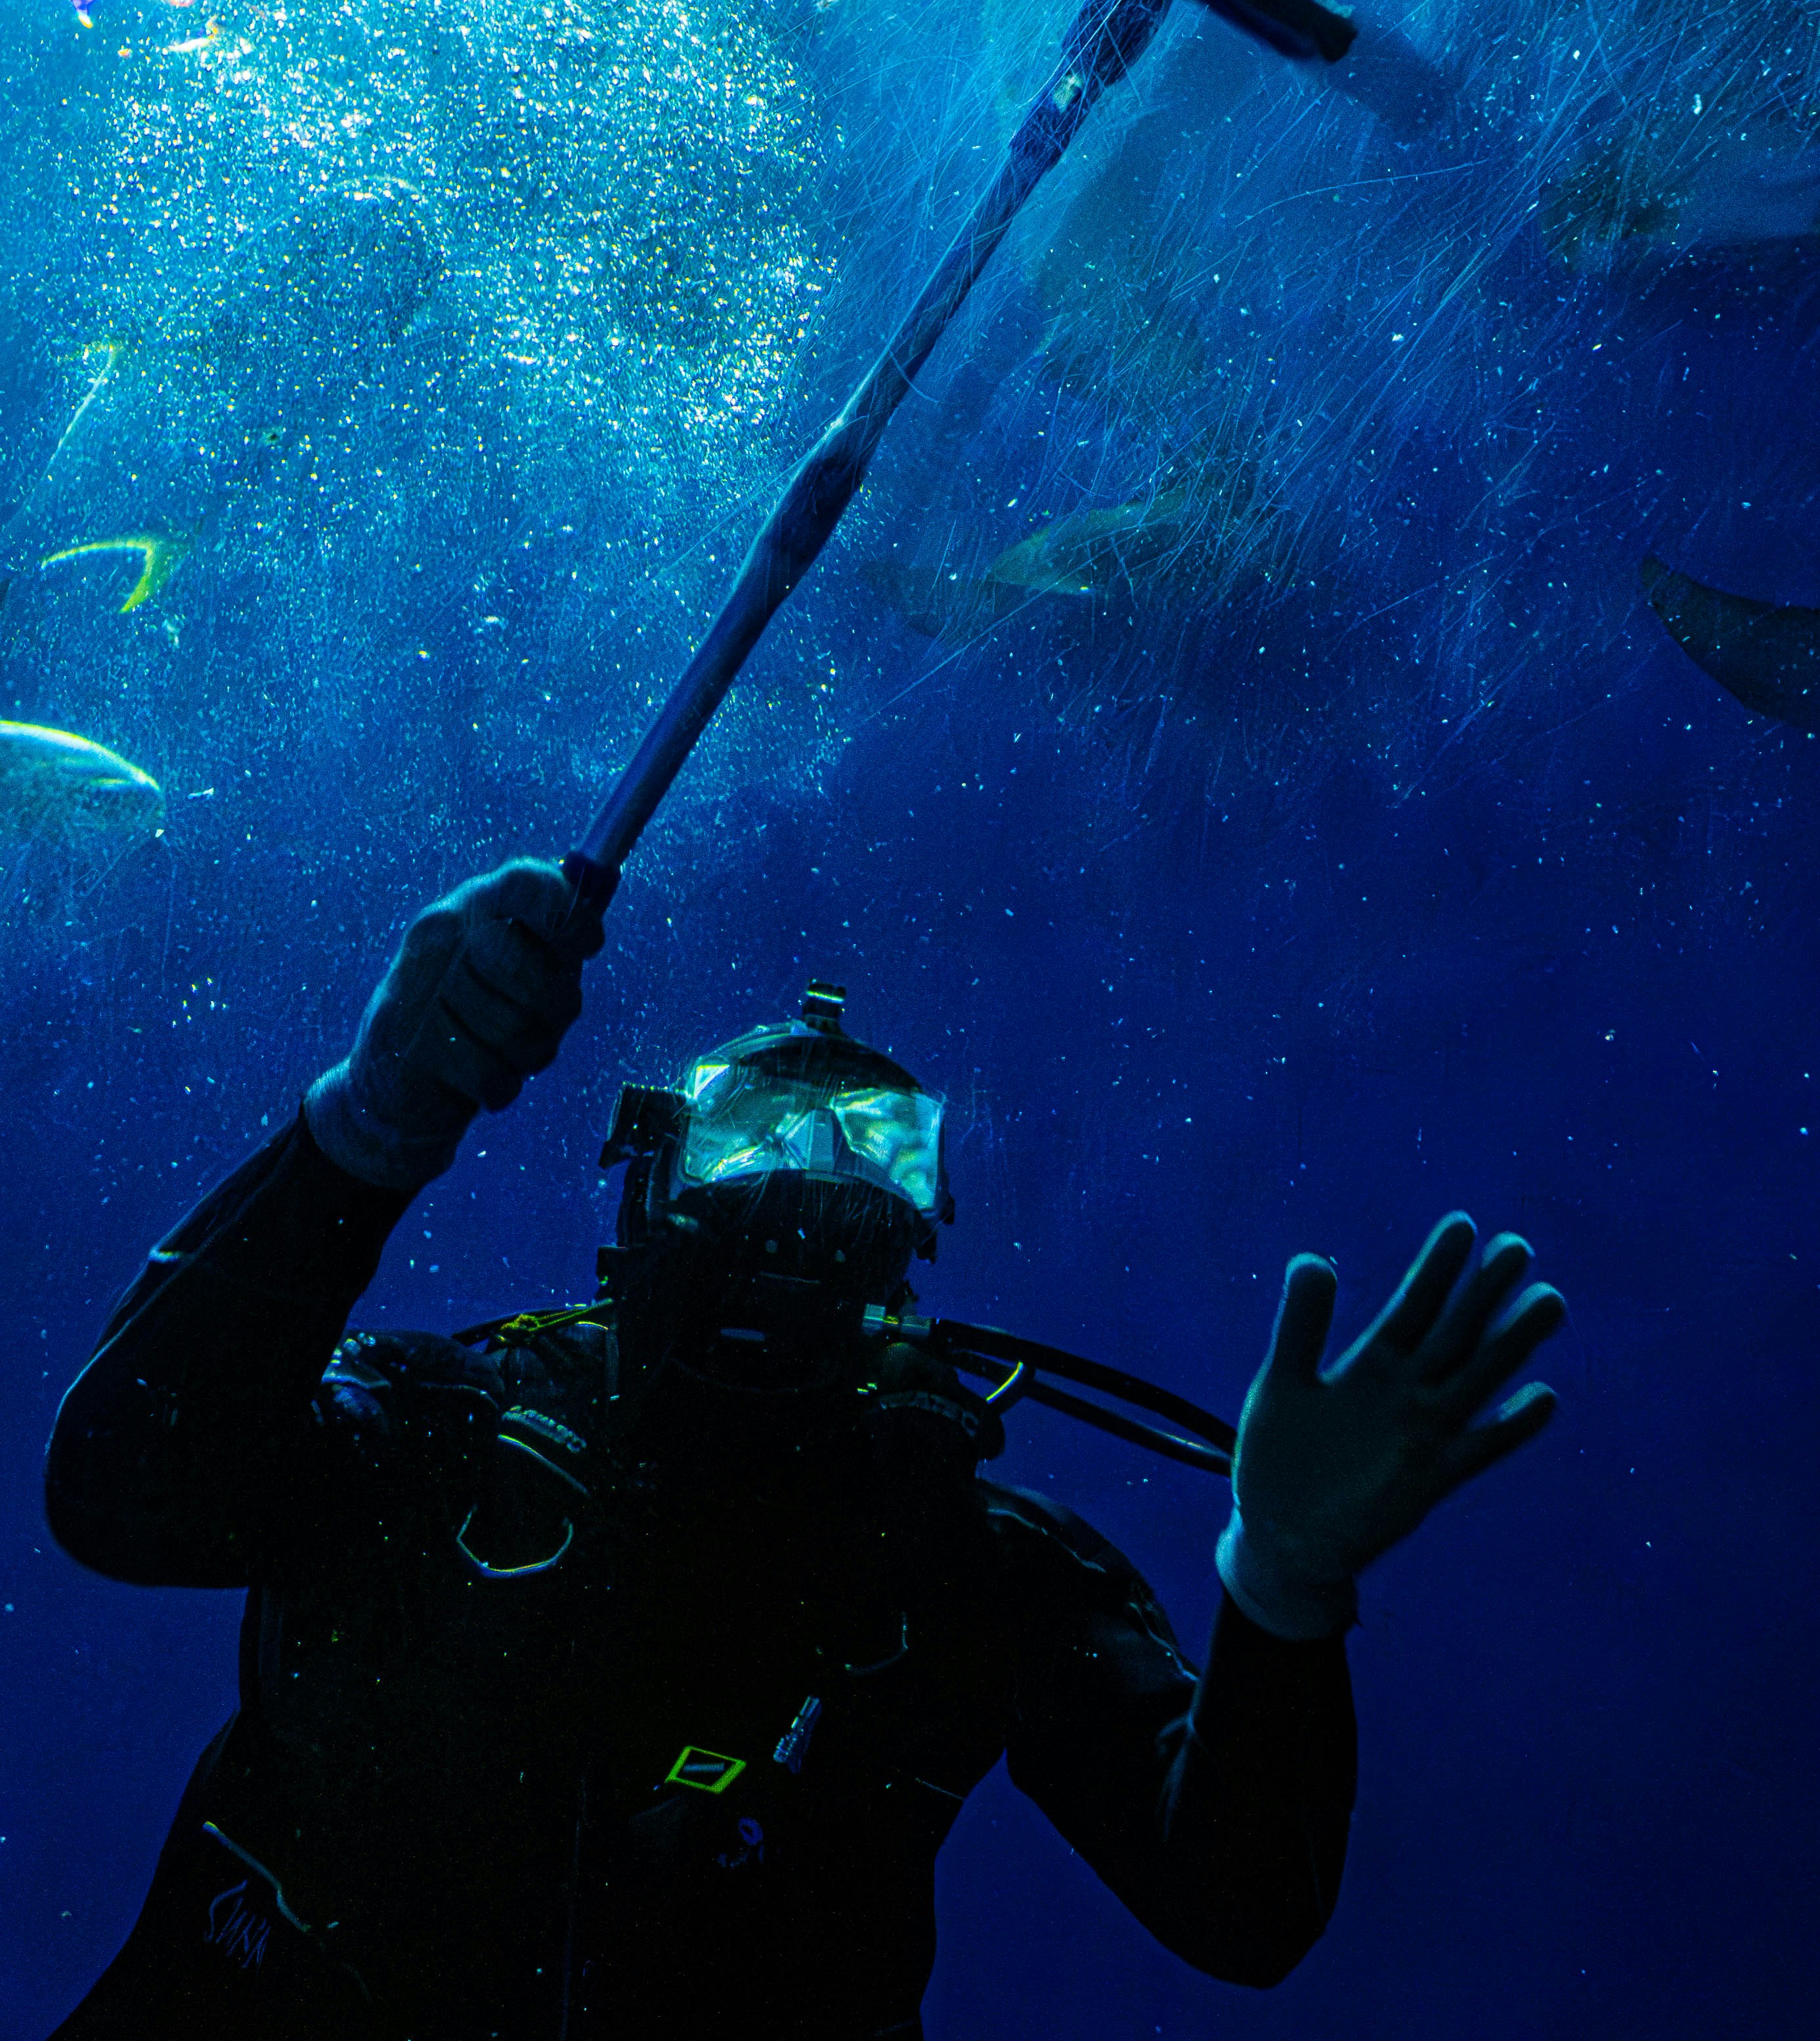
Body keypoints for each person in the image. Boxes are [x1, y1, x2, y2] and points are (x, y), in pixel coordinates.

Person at [44, 859, 1565, 2035]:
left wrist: (1283, 1588)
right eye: (756, 1134)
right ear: (647, 1180)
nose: (809, 1173)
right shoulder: (445, 1436)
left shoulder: (963, 1570)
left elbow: (1237, 1908)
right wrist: (364, 1131)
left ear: (917, 1228)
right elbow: (117, 1495)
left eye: (870, 1146)